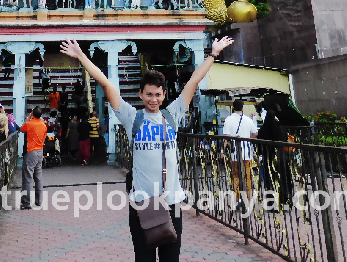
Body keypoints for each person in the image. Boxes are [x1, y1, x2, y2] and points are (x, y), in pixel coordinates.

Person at [61, 35, 233, 262]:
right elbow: (106, 83)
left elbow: (192, 82)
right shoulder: (132, 117)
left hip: (172, 201)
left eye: (158, 94)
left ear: (164, 95)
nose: (153, 99)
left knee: (171, 258)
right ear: (141, 94)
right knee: (144, 258)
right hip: (142, 203)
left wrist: (213, 54)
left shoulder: (172, 114)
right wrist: (81, 55)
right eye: (149, 94)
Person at [256, 110, 293, 205]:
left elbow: (259, 144)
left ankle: (272, 202)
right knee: (283, 178)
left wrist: (260, 153)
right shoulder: (280, 128)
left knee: (270, 179)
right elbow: (285, 138)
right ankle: (285, 200)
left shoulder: (263, 130)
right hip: (280, 156)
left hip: (269, 156)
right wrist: (278, 121)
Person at [222, 100, 258, 194]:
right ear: (242, 108)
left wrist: (222, 151)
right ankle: (248, 198)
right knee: (247, 176)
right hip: (247, 153)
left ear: (233, 107)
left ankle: (238, 198)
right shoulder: (248, 119)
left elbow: (226, 138)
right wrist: (248, 138)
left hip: (234, 153)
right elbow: (255, 133)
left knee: (235, 176)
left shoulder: (228, 120)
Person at [20, 106, 47, 209]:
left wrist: (28, 118)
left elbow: (22, 129)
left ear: (32, 114)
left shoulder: (29, 123)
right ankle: (39, 201)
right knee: (38, 177)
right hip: (40, 151)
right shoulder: (43, 125)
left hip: (31, 151)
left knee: (27, 177)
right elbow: (44, 138)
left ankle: (26, 202)